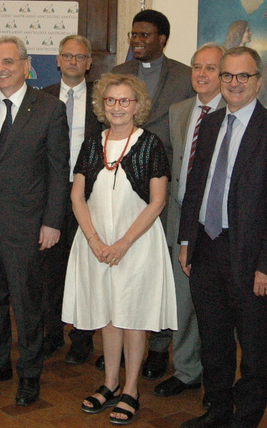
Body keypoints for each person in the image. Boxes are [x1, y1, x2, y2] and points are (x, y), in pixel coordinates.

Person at [177, 46, 267, 428]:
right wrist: (186, 241)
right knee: (214, 344)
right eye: (227, 75)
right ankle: (216, 412)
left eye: (242, 76)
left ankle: (245, 419)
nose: (233, 83)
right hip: (207, 249)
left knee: (254, 350)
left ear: (258, 81)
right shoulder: (211, 123)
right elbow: (195, 185)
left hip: (252, 257)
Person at [0, 35, 68, 407]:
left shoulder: (50, 109)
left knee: (27, 303)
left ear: (26, 65)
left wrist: (53, 221)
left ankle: (30, 373)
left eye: (8, 62)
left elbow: (58, 172)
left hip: (27, 225)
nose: (0, 69)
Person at [64, 73, 175, 425]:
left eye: (125, 100)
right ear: (102, 105)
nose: (117, 107)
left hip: (137, 243)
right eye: (111, 100)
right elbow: (77, 196)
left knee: (133, 315)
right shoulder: (92, 144)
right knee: (109, 313)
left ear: (137, 105)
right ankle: (110, 383)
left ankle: (131, 389)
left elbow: (157, 201)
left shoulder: (151, 144)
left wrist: (124, 243)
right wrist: (96, 241)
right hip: (96, 242)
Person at [111, 9, 193, 379]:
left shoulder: (185, 77)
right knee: (125, 266)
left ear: (163, 38)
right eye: (133, 34)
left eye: (145, 35)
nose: (137, 41)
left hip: (165, 188)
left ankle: (159, 346)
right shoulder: (118, 76)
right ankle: (125, 345)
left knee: (159, 268)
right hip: (122, 188)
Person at [155, 43, 224, 400]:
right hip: (179, 217)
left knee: (213, 306)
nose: (201, 74)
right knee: (180, 300)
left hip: (217, 222)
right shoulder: (178, 110)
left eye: (210, 68)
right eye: (197, 67)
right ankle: (186, 370)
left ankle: (218, 375)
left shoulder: (233, 112)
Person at [42, 35, 103, 365]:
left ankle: (82, 337)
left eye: (80, 57)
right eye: (67, 56)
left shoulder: (103, 99)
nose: (73, 62)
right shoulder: (42, 97)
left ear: (89, 63)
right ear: (57, 60)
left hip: (89, 196)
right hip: (50, 194)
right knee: (49, 268)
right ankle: (51, 332)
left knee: (85, 268)